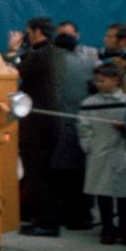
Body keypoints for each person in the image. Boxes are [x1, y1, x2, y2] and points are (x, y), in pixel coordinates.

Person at [9, 16, 65, 237]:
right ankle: (42, 217)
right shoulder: (54, 53)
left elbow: (12, 72)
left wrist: (13, 49)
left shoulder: (42, 55)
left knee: (38, 174)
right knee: (41, 173)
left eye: (28, 31)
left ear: (36, 31)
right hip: (49, 123)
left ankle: (47, 222)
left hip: (38, 125)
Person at [76, 62, 126, 244]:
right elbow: (83, 127)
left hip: (122, 151)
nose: (98, 84)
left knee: (123, 194)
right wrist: (89, 146)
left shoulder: (124, 101)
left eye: (103, 80)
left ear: (116, 80)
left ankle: (123, 229)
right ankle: (107, 228)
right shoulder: (90, 103)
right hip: (99, 152)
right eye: (96, 81)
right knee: (102, 193)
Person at [51, 31, 95, 229]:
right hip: (84, 121)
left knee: (61, 176)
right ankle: (83, 215)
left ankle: (65, 214)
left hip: (59, 123)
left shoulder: (54, 64)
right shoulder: (89, 63)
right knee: (81, 173)